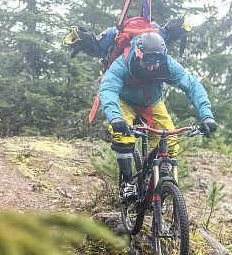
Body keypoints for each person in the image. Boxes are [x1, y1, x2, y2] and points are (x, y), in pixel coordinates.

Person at [93, 26, 217, 199]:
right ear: (137, 54)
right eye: (146, 62)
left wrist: (206, 116)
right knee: (122, 135)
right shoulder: (122, 63)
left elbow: (192, 86)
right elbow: (108, 89)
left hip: (152, 103)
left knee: (171, 142)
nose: (151, 68)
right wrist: (115, 118)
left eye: (156, 62)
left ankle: (160, 184)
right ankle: (128, 184)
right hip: (124, 101)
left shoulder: (168, 66)